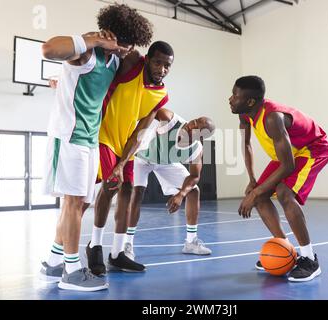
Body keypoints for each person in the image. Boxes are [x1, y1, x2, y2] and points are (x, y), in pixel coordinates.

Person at [38, 3, 153, 291]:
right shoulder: (87, 52)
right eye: (124, 43)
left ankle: (54, 262)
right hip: (69, 137)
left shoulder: (116, 59)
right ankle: (72, 271)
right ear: (110, 35)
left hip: (89, 139)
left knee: (78, 202)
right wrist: (94, 39)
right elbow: (49, 48)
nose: (128, 50)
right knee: (73, 202)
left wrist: (121, 48)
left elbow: (139, 58)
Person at [229, 75, 328, 282]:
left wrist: (257, 190)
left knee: (284, 193)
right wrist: (252, 181)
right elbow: (247, 145)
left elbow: (288, 166)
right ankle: (285, 250)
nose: (230, 99)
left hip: (312, 149)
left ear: (250, 101)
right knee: (257, 194)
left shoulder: (272, 118)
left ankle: (310, 259)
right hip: (286, 155)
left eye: (235, 95)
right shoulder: (244, 115)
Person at [86, 41, 174, 275]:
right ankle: (94, 246)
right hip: (103, 134)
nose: (162, 69)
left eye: (167, 66)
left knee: (127, 191)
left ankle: (117, 253)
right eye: (158, 62)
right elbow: (113, 48)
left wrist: (123, 161)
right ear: (148, 58)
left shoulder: (161, 95)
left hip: (126, 143)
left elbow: (141, 131)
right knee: (110, 186)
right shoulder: (133, 62)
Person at [124, 108, 215, 261]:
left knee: (193, 191)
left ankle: (191, 242)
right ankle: (127, 245)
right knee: (137, 193)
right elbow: (152, 107)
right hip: (142, 158)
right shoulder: (171, 120)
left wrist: (181, 194)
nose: (192, 124)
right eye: (196, 120)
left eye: (197, 127)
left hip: (166, 163)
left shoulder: (196, 149)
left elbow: (194, 176)